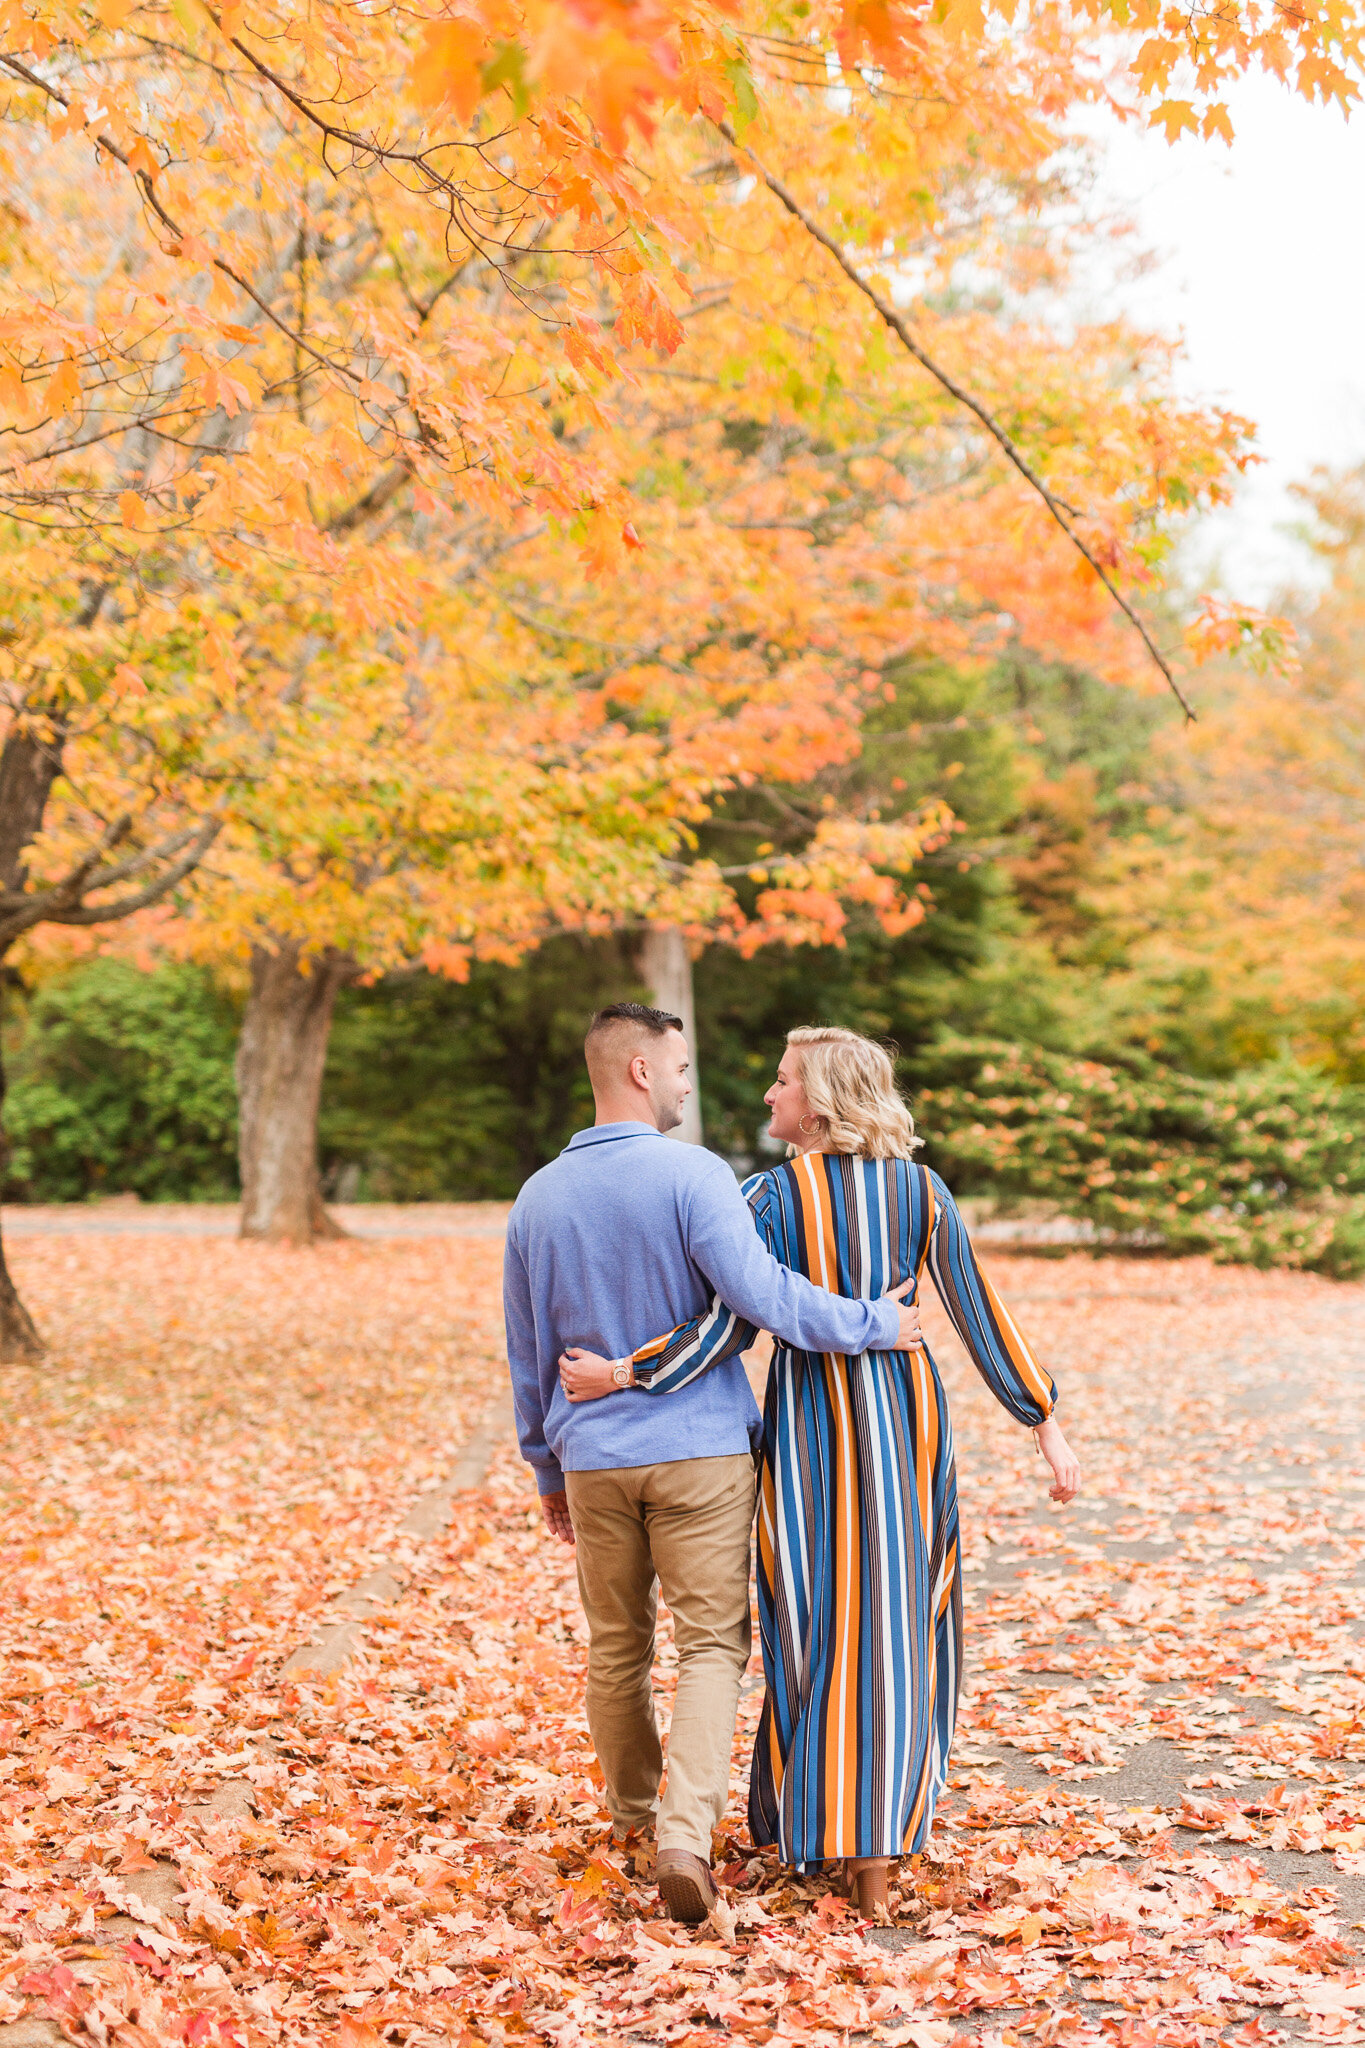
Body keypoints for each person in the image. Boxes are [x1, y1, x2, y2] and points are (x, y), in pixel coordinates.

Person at [560, 1025, 1081, 1921]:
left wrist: (625, 1372)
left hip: (809, 1433)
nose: (769, 1096)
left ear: (824, 1102)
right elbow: (975, 1306)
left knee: (812, 1622)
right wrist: (1042, 1421)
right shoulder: (920, 1191)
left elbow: (730, 1323)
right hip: (903, 1422)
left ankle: (819, 1826)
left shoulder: (766, 1196)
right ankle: (875, 1849)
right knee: (898, 1620)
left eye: (783, 1081)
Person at [503, 1003, 924, 1926]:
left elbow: (527, 1350)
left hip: (592, 1459)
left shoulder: (537, 1196)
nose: (691, 1086)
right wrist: (875, 1324)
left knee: (617, 1647)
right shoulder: (696, 1175)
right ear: (643, 1071)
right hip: (698, 1453)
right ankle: (682, 1838)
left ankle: (629, 1818)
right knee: (710, 1648)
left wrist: (545, 1468)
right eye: (683, 1069)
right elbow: (764, 1299)